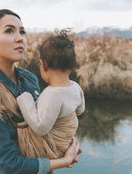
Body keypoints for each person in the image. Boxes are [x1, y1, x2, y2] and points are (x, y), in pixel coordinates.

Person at [0, 9, 80, 174]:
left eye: (22, 32)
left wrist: (65, 144)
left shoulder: (28, 78)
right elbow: (10, 168)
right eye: (10, 31)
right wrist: (63, 161)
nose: (20, 38)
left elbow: (44, 125)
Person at [16, 31, 85, 159]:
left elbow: (40, 127)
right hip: (65, 145)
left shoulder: (52, 94)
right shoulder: (76, 87)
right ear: (73, 67)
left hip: (50, 149)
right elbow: (80, 110)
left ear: (43, 65)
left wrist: (25, 99)